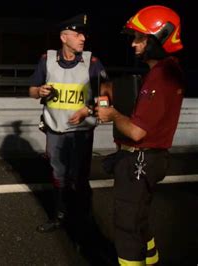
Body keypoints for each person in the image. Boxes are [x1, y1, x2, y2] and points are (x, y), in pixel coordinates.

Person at [97, 5, 185, 266]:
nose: (134, 45)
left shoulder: (160, 77)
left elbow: (136, 131)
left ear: (159, 38)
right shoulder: (168, 71)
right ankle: (151, 260)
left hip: (139, 161)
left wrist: (111, 114)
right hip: (153, 160)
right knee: (140, 219)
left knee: (126, 227)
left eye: (139, 38)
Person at [29, 13, 110, 234]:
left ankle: (84, 219)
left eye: (84, 34)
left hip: (81, 131)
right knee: (58, 174)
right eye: (78, 34)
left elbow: (106, 94)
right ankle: (60, 217)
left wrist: (88, 109)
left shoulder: (92, 62)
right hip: (55, 130)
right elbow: (32, 90)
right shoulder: (47, 59)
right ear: (64, 37)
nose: (83, 38)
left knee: (80, 176)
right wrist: (40, 91)